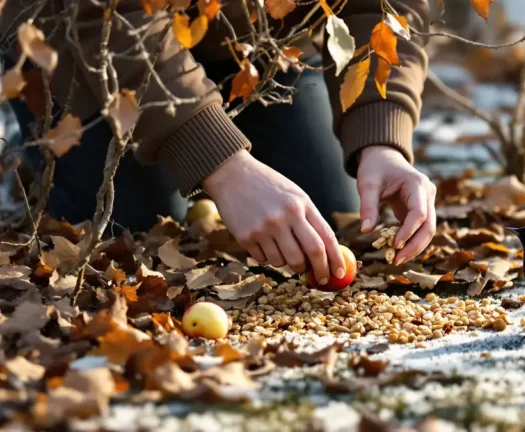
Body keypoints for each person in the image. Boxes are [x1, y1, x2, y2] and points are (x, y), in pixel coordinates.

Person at [1, 0, 436, 286]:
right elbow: (113, 15)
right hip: (82, 38)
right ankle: (22, 143)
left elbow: (387, 6)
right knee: (131, 234)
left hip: (259, 46)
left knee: (324, 212)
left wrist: (383, 142)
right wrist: (224, 168)